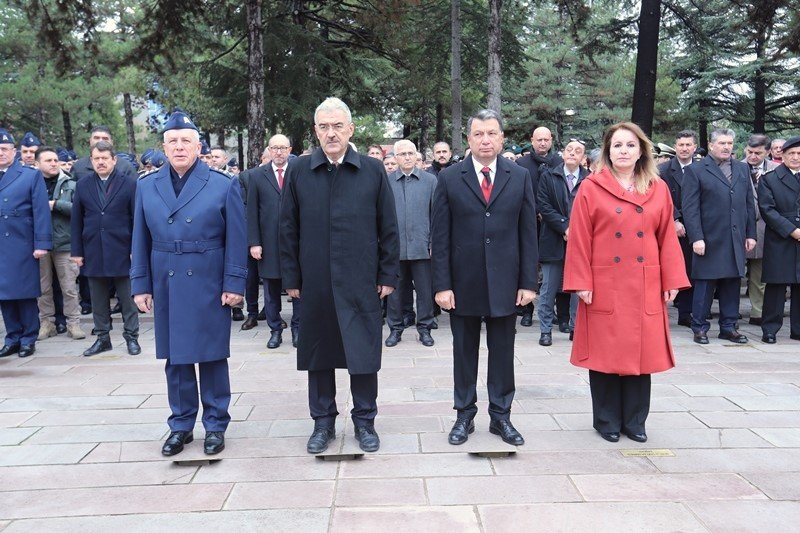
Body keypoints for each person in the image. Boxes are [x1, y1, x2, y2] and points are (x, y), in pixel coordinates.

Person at [280, 97, 399, 454]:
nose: (330, 133)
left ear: (350, 129)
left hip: (361, 278)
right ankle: (323, 423)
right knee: (318, 353)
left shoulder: (372, 170)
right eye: (323, 127)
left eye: (337, 126)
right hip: (315, 279)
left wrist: (388, 274)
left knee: (363, 353)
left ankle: (365, 421)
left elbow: (388, 227)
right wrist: (292, 278)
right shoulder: (300, 170)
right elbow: (287, 228)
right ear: (315, 131)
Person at [563, 122, 689, 444]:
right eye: (617, 145)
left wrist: (672, 278)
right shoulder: (592, 187)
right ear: (608, 150)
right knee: (605, 353)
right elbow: (579, 238)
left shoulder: (657, 187)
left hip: (644, 282)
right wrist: (581, 280)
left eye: (630, 145)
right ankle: (606, 420)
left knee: (640, 354)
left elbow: (667, 238)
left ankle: (635, 421)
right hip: (604, 282)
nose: (623, 151)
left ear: (641, 151)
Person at [131, 111, 247, 456]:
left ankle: (215, 424)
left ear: (198, 146)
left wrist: (234, 283)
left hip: (208, 277)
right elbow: (140, 238)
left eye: (186, 141)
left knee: (211, 355)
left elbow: (237, 239)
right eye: (172, 141)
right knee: (177, 358)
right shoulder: (146, 185)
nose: (179, 147)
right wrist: (141, 284)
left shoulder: (223, 184)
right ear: (164, 147)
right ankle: (180, 425)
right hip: (166, 276)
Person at [432, 109, 538, 446]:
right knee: (464, 352)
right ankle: (464, 416)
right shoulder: (450, 177)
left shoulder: (518, 176)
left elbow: (528, 234)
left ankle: (501, 416)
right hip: (462, 283)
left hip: (506, 282)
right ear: (469, 139)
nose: (486, 140)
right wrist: (442, 285)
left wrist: (528, 282)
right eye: (479, 134)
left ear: (502, 138)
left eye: (492, 133)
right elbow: (441, 236)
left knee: (503, 352)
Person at [682, 129, 757, 345]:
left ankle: (728, 327)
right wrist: (696, 237)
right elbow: (690, 208)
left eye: (730, 143)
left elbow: (748, 204)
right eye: (722, 143)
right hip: (708, 238)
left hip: (735, 237)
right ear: (712, 145)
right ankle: (700, 327)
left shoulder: (742, 169)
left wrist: (750, 233)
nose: (726, 147)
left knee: (732, 283)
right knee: (705, 284)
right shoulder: (696, 170)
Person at [71, 141, 140, 356]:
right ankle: (103, 338)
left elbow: (136, 218)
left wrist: (135, 249)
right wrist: (77, 251)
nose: (100, 162)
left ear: (114, 160)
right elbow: (77, 221)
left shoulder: (129, 184)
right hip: (93, 249)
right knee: (97, 298)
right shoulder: (83, 185)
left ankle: (131, 337)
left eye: (104, 158)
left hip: (122, 248)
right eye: (96, 159)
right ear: (91, 161)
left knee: (127, 298)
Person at [0, 129, 52, 359]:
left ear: (14, 151)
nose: (1, 153)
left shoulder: (29, 175)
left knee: (24, 293)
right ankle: (12, 337)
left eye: (4, 149)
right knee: (3, 294)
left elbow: (41, 212)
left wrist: (41, 243)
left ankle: (28, 337)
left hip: (21, 243)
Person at [248, 134, 300, 348]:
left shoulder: (298, 173)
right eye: (274, 148)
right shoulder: (258, 175)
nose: (278, 152)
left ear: (289, 150)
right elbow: (251, 211)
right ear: (268, 150)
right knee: (270, 291)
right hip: (267, 244)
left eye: (283, 148)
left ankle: (298, 330)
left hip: (295, 244)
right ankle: (275, 330)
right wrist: (254, 242)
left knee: (298, 289)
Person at [384, 139, 437, 348]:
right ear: (395, 158)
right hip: (395, 249)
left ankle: (424, 328)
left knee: (425, 292)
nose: (407, 157)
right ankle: (395, 329)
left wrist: (433, 242)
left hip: (422, 247)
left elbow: (437, 215)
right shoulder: (386, 182)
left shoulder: (430, 181)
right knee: (395, 292)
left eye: (410, 153)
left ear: (417, 156)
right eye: (402, 154)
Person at [536, 139, 588, 346]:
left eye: (578, 151)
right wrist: (565, 227)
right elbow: (544, 205)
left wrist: (576, 230)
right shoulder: (549, 176)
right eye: (569, 150)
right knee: (548, 287)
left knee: (578, 288)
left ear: (583, 158)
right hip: (553, 239)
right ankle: (546, 329)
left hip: (581, 241)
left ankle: (577, 328)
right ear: (563, 153)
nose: (573, 153)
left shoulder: (590, 179)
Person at [34, 146, 85, 341]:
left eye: (55, 160)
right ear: (37, 164)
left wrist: (56, 205)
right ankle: (47, 323)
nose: (54, 163)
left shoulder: (70, 183)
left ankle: (74, 323)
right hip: (40, 243)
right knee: (43, 287)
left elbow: (79, 210)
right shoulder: (32, 184)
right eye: (49, 161)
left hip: (65, 243)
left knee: (69, 287)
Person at [758, 136, 800, 343]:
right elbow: (767, 209)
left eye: (799, 154)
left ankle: (798, 329)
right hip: (781, 239)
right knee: (776, 286)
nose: (795, 157)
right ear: (782, 155)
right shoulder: (770, 179)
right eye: (791, 153)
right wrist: (792, 230)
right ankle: (770, 329)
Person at [657, 130, 699, 327]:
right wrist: (674, 219)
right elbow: (659, 198)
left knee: (690, 270)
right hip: (669, 226)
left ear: (694, 148)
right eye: (681, 145)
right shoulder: (663, 170)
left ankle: (686, 313)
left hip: (695, 228)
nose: (684, 148)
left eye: (688, 145)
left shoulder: (702, 169)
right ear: (675, 147)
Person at [742, 134, 778, 326]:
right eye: (750, 152)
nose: (753, 156)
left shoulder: (776, 170)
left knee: (759, 274)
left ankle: (757, 313)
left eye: (758, 153)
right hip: (739, 228)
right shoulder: (734, 167)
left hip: (765, 228)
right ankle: (729, 313)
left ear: (768, 152)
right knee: (731, 274)